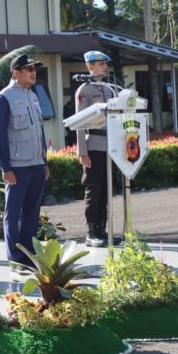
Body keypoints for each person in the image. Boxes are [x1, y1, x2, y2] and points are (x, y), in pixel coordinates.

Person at [0, 54, 49, 269]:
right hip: (17, 166)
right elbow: (0, 136)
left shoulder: (33, 96)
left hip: (35, 164)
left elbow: (40, 133)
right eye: (28, 69)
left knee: (32, 212)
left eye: (35, 69)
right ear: (16, 73)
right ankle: (15, 256)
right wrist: (5, 168)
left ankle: (29, 252)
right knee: (13, 212)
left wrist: (44, 162)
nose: (33, 73)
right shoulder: (4, 97)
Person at [75, 50, 121, 247]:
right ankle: (91, 232)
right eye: (100, 64)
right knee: (93, 190)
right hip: (93, 144)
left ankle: (103, 230)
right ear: (89, 66)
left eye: (105, 64)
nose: (104, 67)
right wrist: (82, 152)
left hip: (110, 146)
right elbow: (79, 123)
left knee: (106, 190)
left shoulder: (109, 90)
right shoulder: (84, 91)